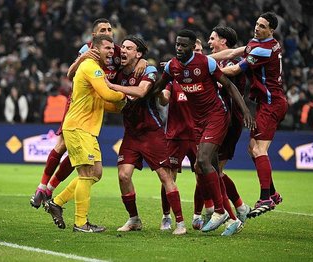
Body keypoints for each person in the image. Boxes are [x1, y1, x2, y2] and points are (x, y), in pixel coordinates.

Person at [29, 18, 146, 209]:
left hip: (98, 101)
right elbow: (69, 75)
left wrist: (144, 61)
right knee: (62, 147)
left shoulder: (115, 51)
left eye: (109, 29)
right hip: (80, 101)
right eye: (103, 29)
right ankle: (43, 188)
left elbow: (134, 57)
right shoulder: (87, 50)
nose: (108, 32)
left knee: (76, 155)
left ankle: (49, 189)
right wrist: (81, 59)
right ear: (94, 35)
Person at [154, 29, 255, 233]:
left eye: (184, 45)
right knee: (210, 169)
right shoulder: (172, 67)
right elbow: (158, 88)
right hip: (197, 122)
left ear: (193, 48)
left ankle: (219, 211)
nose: (179, 48)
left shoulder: (205, 63)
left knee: (202, 161)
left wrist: (245, 110)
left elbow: (228, 86)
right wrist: (141, 97)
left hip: (217, 115)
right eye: (177, 45)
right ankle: (234, 214)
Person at [105, 35, 187, 235]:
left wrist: (113, 87)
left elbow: (141, 92)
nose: (123, 50)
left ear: (138, 53)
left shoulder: (148, 70)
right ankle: (134, 219)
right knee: (123, 176)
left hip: (152, 132)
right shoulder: (117, 66)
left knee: (165, 176)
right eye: (122, 47)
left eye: (129, 48)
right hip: (131, 134)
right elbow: (99, 47)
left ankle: (180, 223)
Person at [45, 34, 127, 232]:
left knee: (96, 173)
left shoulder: (95, 70)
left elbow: (106, 103)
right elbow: (108, 94)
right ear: (96, 48)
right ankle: (81, 223)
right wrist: (128, 93)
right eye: (107, 48)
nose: (111, 51)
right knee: (85, 173)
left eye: (111, 48)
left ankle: (56, 202)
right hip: (78, 128)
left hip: (87, 130)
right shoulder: (91, 66)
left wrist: (121, 102)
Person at [221, 12, 287, 218]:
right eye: (257, 24)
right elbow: (234, 52)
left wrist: (204, 68)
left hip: (271, 104)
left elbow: (233, 71)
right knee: (252, 148)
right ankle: (273, 193)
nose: (257, 28)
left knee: (259, 149)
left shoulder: (264, 50)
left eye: (263, 26)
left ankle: (265, 197)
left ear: (272, 30)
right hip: (265, 103)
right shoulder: (260, 44)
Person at [157, 39, 204, 232]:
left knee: (202, 175)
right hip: (175, 135)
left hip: (198, 134)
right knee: (169, 177)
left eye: (201, 50)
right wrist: (158, 91)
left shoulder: (205, 76)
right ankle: (166, 216)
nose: (198, 53)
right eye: (196, 49)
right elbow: (166, 99)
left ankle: (197, 216)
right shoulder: (174, 76)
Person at [207, 26, 251, 224]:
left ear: (223, 41)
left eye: (212, 38)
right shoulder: (221, 59)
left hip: (230, 120)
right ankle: (239, 208)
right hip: (217, 119)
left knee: (212, 169)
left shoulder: (233, 62)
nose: (209, 42)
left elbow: (227, 75)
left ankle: (227, 214)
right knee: (213, 169)